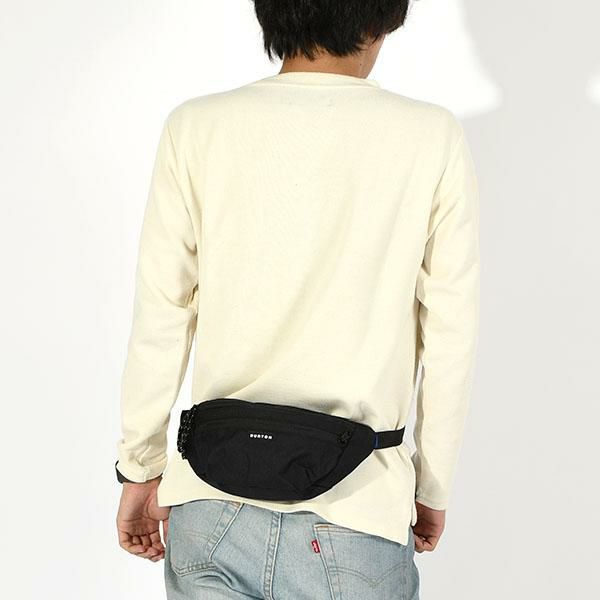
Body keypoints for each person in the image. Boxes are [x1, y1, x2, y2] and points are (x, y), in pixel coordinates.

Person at [114, 2, 480, 598]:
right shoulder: (430, 135)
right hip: (357, 507)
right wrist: (429, 487)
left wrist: (139, 467)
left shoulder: (197, 126)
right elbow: (449, 334)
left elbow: (161, 314)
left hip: (210, 502)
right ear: (380, 21)